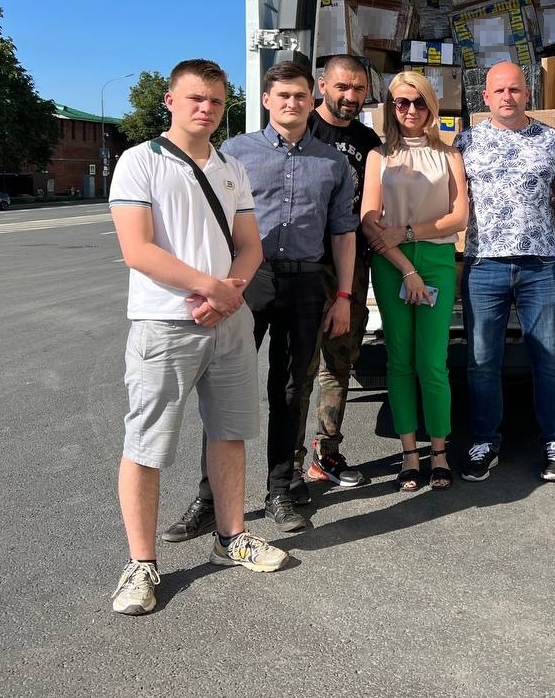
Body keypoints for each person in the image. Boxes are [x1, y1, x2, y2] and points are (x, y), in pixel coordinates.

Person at [108, 59, 286, 617]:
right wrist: (211, 287)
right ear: (170, 101)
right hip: (165, 322)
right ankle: (141, 563)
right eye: (195, 98)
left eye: (215, 100)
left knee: (229, 432)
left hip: (227, 322)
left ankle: (232, 536)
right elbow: (138, 249)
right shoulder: (140, 161)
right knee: (147, 443)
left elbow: (250, 245)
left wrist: (228, 294)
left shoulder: (231, 167)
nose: (206, 108)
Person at [162, 61, 357, 541]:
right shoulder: (234, 153)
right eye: (283, 95)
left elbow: (343, 233)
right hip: (249, 281)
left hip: (308, 283)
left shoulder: (333, 163)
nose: (292, 103)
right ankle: (210, 499)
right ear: (267, 101)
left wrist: (344, 296)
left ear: (313, 101)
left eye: (300, 96)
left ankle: (281, 489)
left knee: (291, 391)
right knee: (225, 391)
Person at [455, 61, 555, 482]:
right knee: (482, 361)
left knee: (550, 359)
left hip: (539, 264)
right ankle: (485, 441)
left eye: (515, 89)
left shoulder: (552, 141)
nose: (508, 97)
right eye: (499, 90)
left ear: (528, 94)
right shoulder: (466, 142)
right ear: (485, 97)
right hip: (483, 264)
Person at [361, 71, 468, 491]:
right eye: (402, 102)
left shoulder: (449, 154)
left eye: (419, 102)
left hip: (436, 259)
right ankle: (409, 454)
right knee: (400, 361)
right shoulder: (379, 156)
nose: (410, 110)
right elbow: (370, 220)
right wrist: (406, 267)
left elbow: (459, 217)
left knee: (432, 362)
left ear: (431, 107)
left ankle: (439, 452)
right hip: (392, 264)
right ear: (391, 108)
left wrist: (407, 233)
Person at [295, 55, 382, 490]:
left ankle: (325, 454)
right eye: (342, 87)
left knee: (339, 361)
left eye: (359, 89)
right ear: (322, 85)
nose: (350, 96)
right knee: (300, 368)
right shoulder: (302, 128)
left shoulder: (368, 140)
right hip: (307, 267)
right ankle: (288, 466)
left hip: (352, 264)